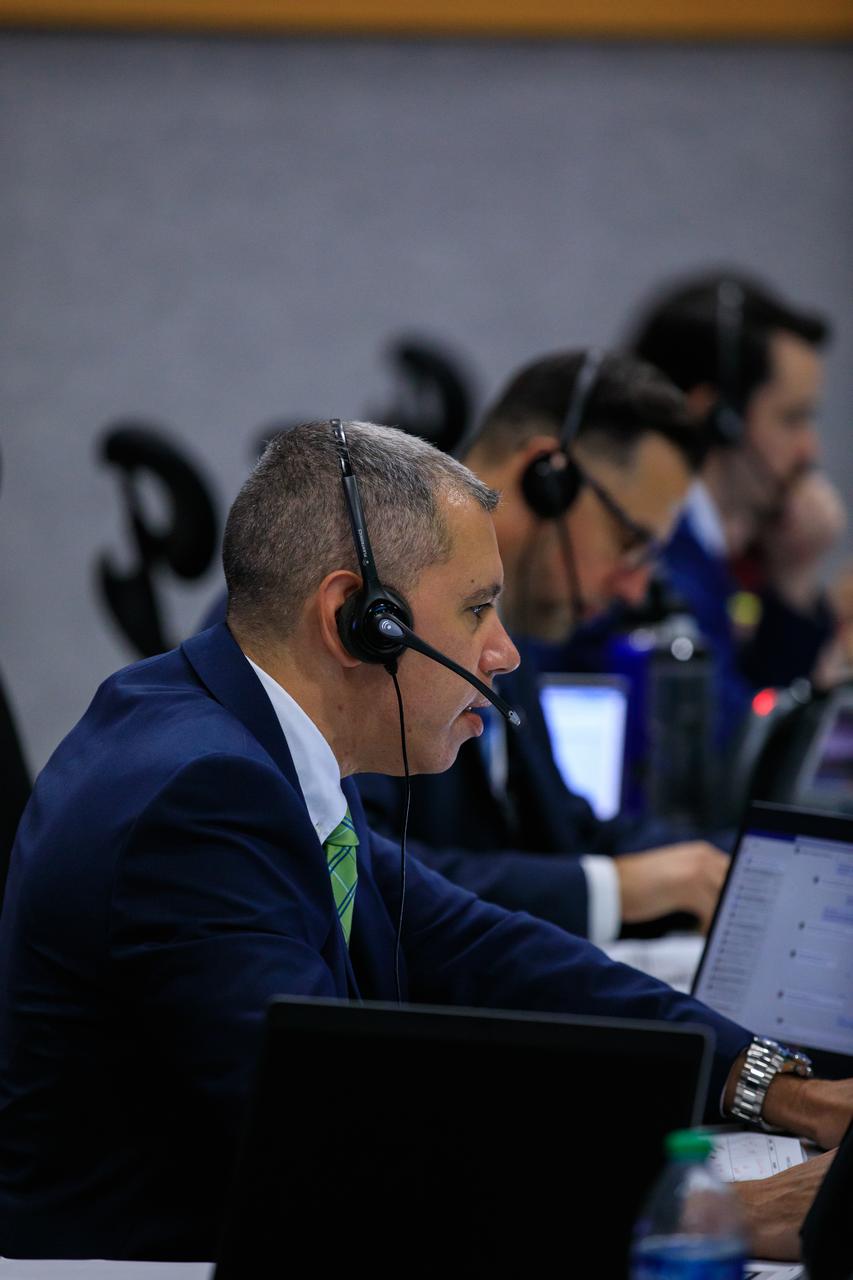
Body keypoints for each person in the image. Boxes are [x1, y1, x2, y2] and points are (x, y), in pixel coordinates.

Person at [0, 420, 846, 1262]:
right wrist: (717, 1212)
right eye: (477, 608)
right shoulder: (199, 798)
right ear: (358, 621)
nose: (505, 651)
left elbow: (479, 948)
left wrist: (776, 1089)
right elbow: (333, 1146)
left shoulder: (238, 738)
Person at [359, 352, 730, 942]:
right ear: (546, 479)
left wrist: (738, 871)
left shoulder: (507, 635)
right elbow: (360, 870)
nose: (636, 588)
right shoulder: (370, 615)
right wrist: (613, 890)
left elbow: (567, 834)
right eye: (631, 542)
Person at [628, 270, 849, 748]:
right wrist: (794, 585)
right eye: (793, 418)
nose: (811, 450)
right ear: (716, 416)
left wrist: (792, 577)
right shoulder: (654, 560)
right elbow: (733, 760)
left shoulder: (712, 554)